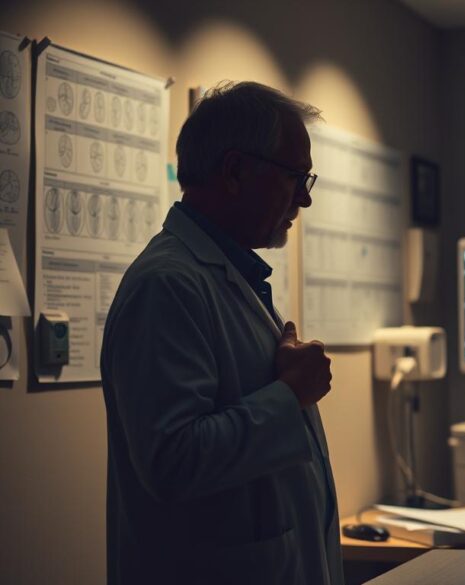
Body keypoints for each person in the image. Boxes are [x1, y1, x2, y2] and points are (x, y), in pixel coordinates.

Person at [101, 82, 342, 585]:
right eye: (296, 177)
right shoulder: (166, 285)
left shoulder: (228, 277)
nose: (304, 198)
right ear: (235, 171)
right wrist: (290, 395)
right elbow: (172, 460)